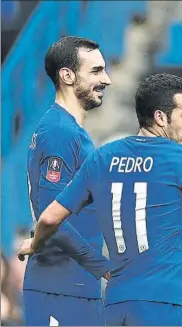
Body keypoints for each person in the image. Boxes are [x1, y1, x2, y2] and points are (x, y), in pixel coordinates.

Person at [19, 73, 182, 326]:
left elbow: (49, 218)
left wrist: (35, 244)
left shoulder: (103, 157)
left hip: (117, 302)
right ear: (160, 117)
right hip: (164, 302)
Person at [23, 36, 112, 326]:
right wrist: (105, 268)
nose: (107, 80)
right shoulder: (60, 132)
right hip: (58, 289)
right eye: (96, 71)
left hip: (74, 286)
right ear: (67, 75)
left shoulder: (68, 130)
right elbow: (52, 215)